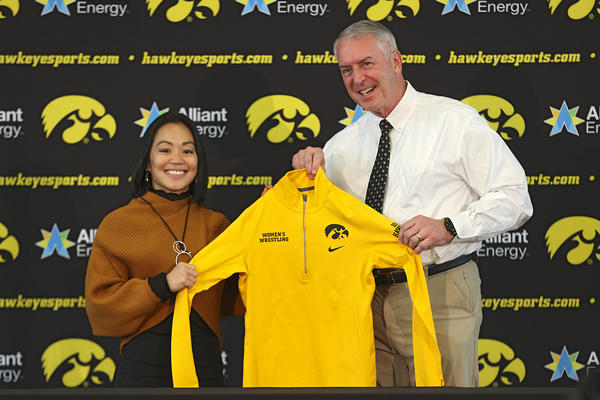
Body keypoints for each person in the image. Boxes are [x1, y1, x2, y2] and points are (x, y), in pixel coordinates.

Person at [292, 20, 533, 387]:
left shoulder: (453, 121)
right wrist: (300, 193)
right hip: (366, 301)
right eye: (347, 70)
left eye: (366, 64)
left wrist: (449, 227)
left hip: (439, 289)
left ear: (396, 61)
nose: (357, 78)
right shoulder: (339, 147)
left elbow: (515, 198)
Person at [85, 112, 240, 387]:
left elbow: (242, 295)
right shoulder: (119, 223)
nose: (177, 159)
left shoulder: (216, 225)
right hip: (143, 376)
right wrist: (161, 285)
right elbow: (101, 309)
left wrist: (271, 220)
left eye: (187, 150)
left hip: (205, 373)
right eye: (165, 149)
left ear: (197, 162)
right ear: (147, 162)